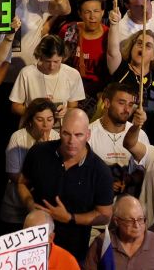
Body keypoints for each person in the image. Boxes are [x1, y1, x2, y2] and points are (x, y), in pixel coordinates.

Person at [17, 109, 114, 256]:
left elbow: (105, 215)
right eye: (66, 134)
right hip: (33, 246)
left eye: (78, 135)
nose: (71, 141)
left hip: (72, 251)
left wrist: (70, 218)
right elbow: (22, 183)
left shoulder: (100, 171)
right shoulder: (39, 153)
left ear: (88, 135)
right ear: (60, 131)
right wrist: (30, 204)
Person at [82, 196, 154, 270]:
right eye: (130, 220)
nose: (137, 225)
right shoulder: (102, 243)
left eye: (140, 219)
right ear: (116, 221)